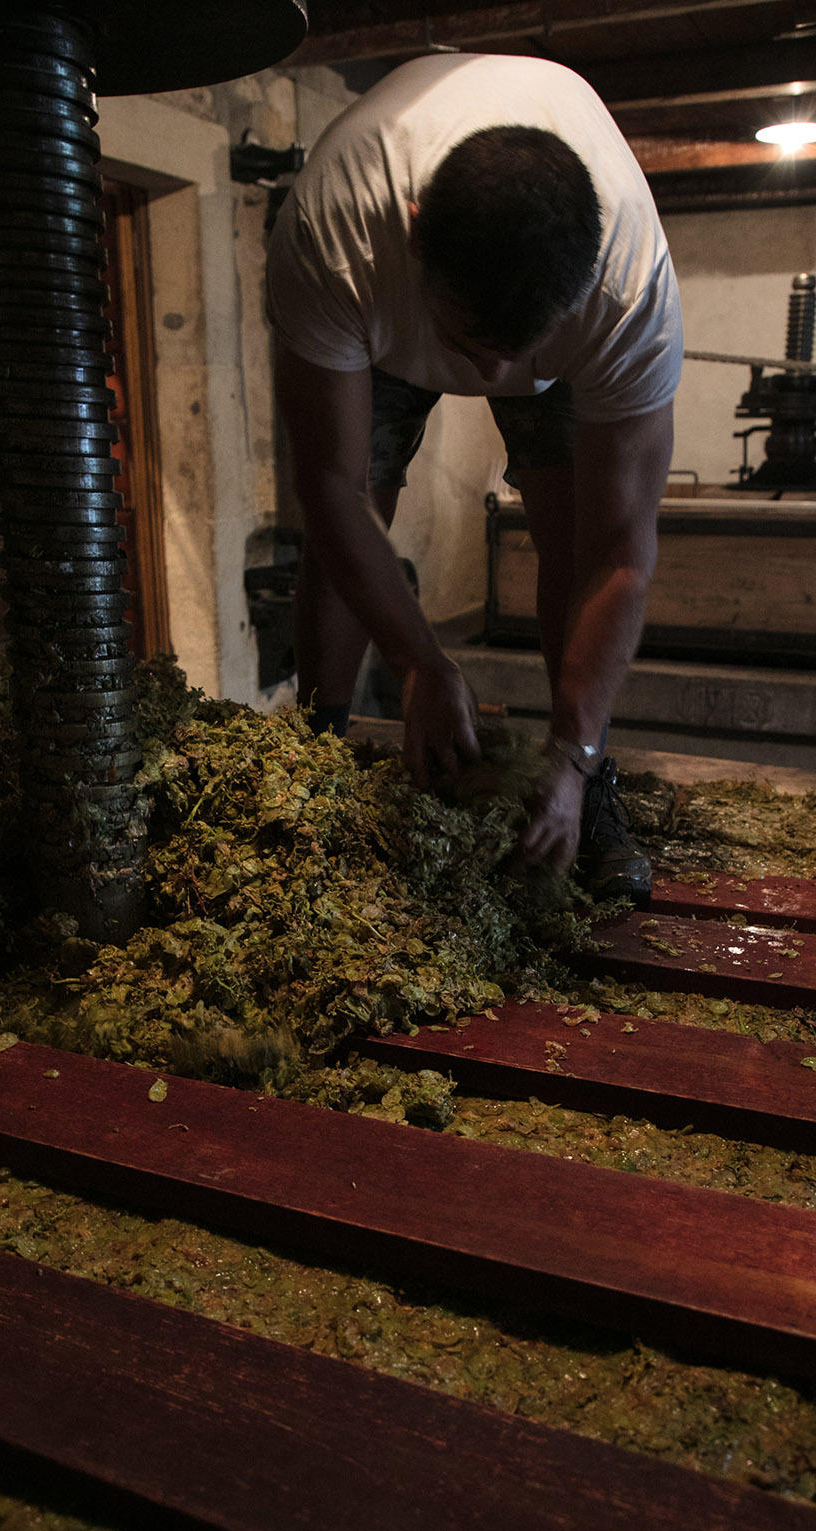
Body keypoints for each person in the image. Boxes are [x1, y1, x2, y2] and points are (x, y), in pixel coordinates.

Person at [266, 53, 683, 902]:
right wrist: (420, 662)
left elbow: (620, 553)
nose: (493, 375)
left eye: (515, 352)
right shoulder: (333, 232)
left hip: (529, 326)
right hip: (389, 313)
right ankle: (314, 754)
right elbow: (333, 489)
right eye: (474, 345)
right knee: (360, 496)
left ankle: (585, 782)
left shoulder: (629, 289)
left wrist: (572, 750)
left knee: (570, 524)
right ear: (414, 230)